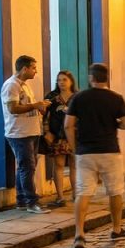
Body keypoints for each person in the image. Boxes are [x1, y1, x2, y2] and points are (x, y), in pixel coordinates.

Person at [66, 63, 125, 248]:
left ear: (91, 78)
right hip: (110, 150)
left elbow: (67, 124)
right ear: (106, 78)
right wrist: (115, 123)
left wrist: (73, 147)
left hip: (85, 152)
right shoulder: (116, 98)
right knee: (115, 191)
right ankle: (116, 229)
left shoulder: (79, 98)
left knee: (83, 192)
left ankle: (79, 234)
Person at [1, 55, 51, 213]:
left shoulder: (25, 85)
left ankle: (21, 199)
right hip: (19, 133)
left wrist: (39, 108)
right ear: (24, 69)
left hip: (31, 131)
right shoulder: (11, 85)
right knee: (27, 168)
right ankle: (32, 202)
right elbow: (13, 108)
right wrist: (35, 105)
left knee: (25, 168)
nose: (36, 71)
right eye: (34, 68)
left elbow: (27, 105)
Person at [43, 70, 77, 207]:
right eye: (59, 80)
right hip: (57, 135)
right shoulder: (51, 97)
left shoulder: (77, 97)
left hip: (74, 135)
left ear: (71, 81)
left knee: (75, 165)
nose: (61, 82)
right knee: (59, 165)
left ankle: (76, 194)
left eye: (64, 80)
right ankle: (60, 196)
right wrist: (46, 132)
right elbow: (44, 115)